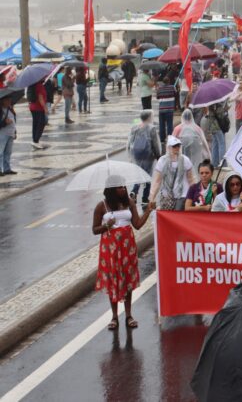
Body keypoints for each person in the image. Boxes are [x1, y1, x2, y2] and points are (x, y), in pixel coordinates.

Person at [92, 174, 154, 331]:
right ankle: (114, 316)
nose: (123, 189)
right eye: (120, 187)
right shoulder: (102, 206)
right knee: (113, 280)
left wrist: (148, 210)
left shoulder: (130, 203)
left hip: (127, 247)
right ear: (112, 189)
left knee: (127, 280)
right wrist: (107, 226)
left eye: (124, 186)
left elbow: (138, 224)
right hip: (110, 249)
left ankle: (128, 315)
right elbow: (94, 229)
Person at [150, 135, 195, 210]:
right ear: (169, 147)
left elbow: (191, 179)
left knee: (177, 215)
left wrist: (194, 194)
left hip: (182, 194)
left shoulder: (185, 160)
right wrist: (152, 198)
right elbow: (157, 181)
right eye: (174, 146)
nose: (177, 148)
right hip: (167, 196)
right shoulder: (162, 161)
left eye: (178, 145)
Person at [127, 110, 160, 205]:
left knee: (139, 173)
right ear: (149, 117)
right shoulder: (151, 128)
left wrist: (131, 154)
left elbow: (130, 141)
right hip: (147, 154)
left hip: (136, 154)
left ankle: (134, 191)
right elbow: (155, 144)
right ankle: (145, 197)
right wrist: (158, 156)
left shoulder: (135, 127)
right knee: (147, 175)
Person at [156, 75, 176, 144]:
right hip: (170, 109)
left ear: (163, 82)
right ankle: (170, 138)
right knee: (169, 124)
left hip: (161, 109)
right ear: (169, 81)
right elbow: (175, 94)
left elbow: (157, 97)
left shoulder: (159, 88)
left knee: (161, 125)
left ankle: (162, 139)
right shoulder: (172, 87)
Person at [28, 79, 47, 150]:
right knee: (41, 123)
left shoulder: (33, 84)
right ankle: (36, 140)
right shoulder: (39, 86)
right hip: (38, 108)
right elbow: (40, 97)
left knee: (35, 123)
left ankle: (35, 140)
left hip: (33, 107)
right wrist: (45, 108)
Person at [0, 93, 16, 175]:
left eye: (10, 100)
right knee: (0, 152)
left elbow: (14, 120)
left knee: (8, 152)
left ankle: (7, 169)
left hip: (10, 133)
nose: (10, 101)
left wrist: (15, 133)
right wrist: (5, 123)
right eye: (8, 100)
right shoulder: (1, 110)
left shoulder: (10, 109)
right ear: (2, 101)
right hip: (2, 134)